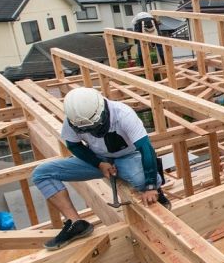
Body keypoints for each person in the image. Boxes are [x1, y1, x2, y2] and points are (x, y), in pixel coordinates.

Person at [32, 87, 170, 249]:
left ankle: (158, 191)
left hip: (127, 157)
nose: (91, 132)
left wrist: (150, 186)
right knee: (41, 173)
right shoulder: (74, 119)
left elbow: (146, 149)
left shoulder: (123, 114)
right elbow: (74, 146)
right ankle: (76, 224)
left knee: (141, 180)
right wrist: (98, 163)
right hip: (97, 158)